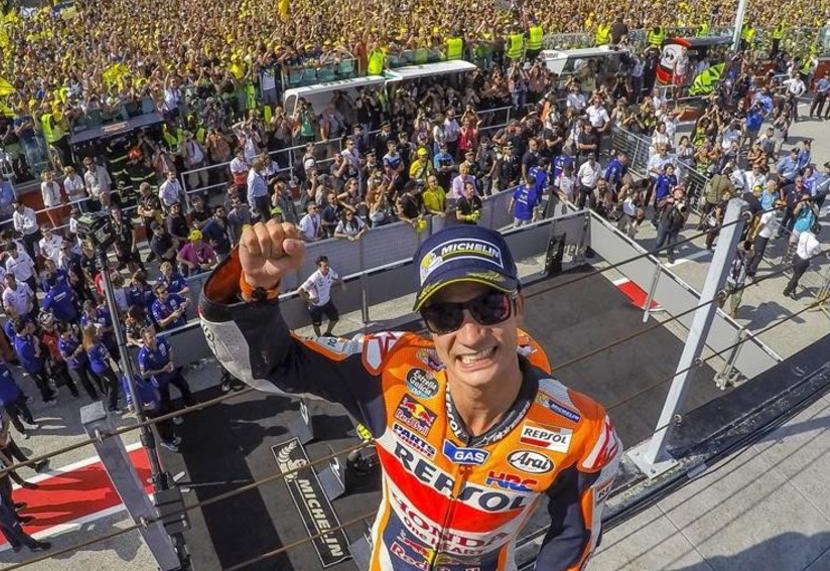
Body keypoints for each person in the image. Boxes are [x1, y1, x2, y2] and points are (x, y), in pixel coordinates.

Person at [200, 221, 619, 570]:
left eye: (490, 306)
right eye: (445, 315)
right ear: (427, 327)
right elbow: (271, 366)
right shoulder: (387, 369)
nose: (470, 335)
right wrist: (252, 288)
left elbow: (572, 539)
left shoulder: (583, 433)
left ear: (519, 305)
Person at [298, 256, 344, 337]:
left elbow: (337, 277)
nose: (327, 267)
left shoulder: (330, 271)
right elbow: (300, 290)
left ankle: (328, 333)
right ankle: (320, 338)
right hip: (316, 306)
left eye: (328, 265)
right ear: (319, 267)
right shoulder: (315, 278)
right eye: (325, 266)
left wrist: (342, 284)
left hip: (327, 302)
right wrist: (309, 300)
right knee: (316, 324)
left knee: (335, 318)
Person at [783, 229, 822, 299]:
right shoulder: (816, 243)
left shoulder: (804, 234)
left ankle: (792, 289)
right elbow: (817, 252)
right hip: (803, 261)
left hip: (796, 256)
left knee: (795, 275)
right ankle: (787, 290)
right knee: (796, 277)